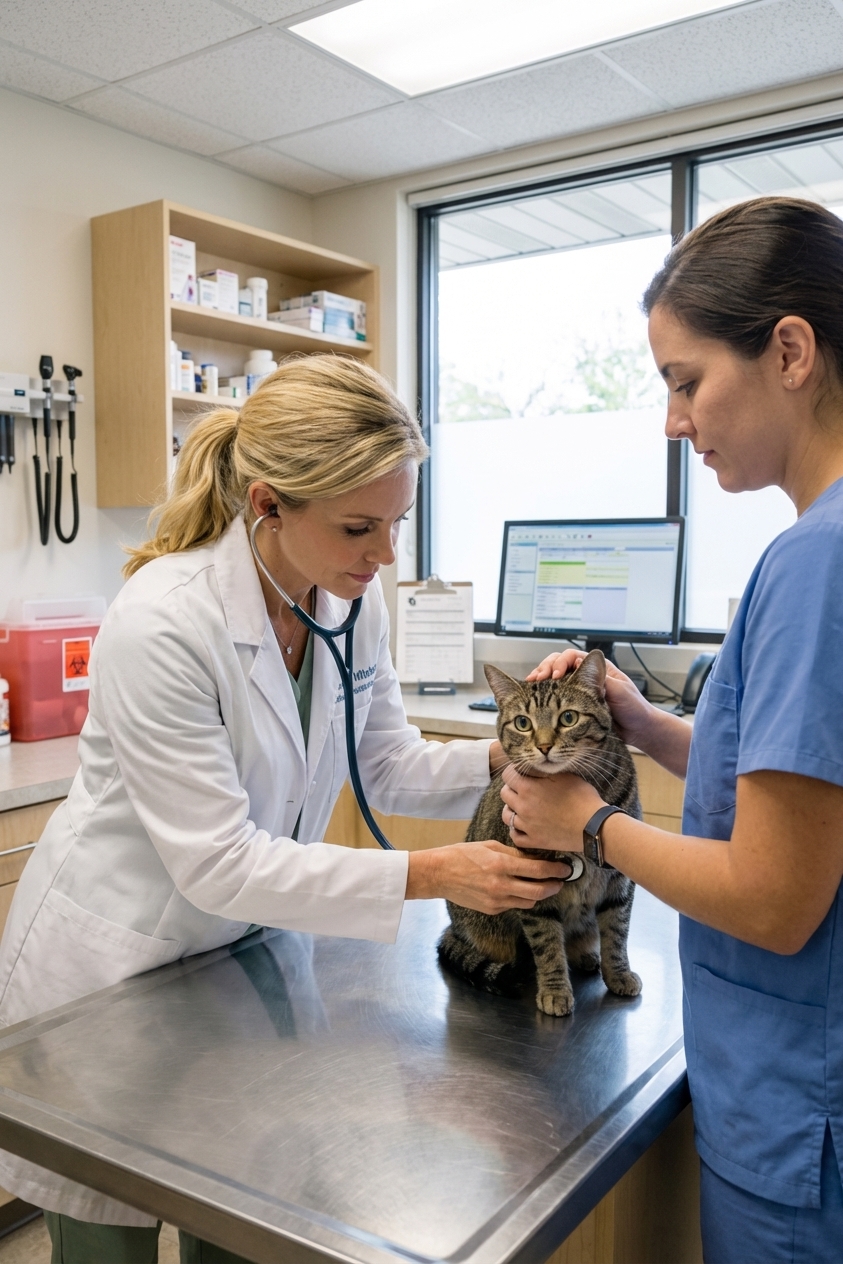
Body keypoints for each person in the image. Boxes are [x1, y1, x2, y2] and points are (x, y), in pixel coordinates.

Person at [0, 355, 567, 1264]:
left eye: (396, 524)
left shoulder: (349, 600)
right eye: (358, 528)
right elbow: (219, 862)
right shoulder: (163, 621)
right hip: (116, 969)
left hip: (244, 957)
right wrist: (434, 875)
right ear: (268, 506)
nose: (384, 555)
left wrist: (510, 753)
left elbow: (383, 765)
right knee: (109, 1235)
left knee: (246, 1212)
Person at [498, 197, 843, 1263]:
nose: (672, 422)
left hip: (797, 1112)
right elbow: (796, 781)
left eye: (686, 381)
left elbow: (778, 898)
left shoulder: (814, 564)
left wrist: (584, 822)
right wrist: (644, 725)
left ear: (789, 350)